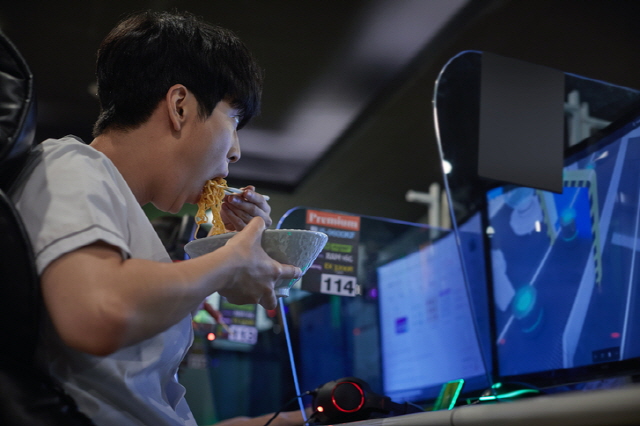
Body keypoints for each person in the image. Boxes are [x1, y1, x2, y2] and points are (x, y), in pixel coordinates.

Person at [12, 10, 305, 426]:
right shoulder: (70, 164)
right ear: (180, 106)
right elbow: (98, 313)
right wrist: (229, 263)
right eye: (234, 120)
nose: (236, 152)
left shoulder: (117, 204)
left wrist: (227, 256)